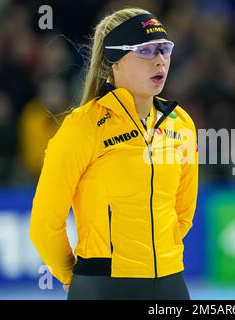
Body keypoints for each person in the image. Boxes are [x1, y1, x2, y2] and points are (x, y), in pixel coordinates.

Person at [29, 7, 199, 300]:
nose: (160, 60)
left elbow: (182, 213)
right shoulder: (83, 127)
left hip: (171, 284)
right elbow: (45, 223)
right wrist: (75, 276)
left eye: (164, 49)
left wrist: (156, 256)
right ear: (113, 62)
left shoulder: (180, 123)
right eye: (145, 51)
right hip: (102, 286)